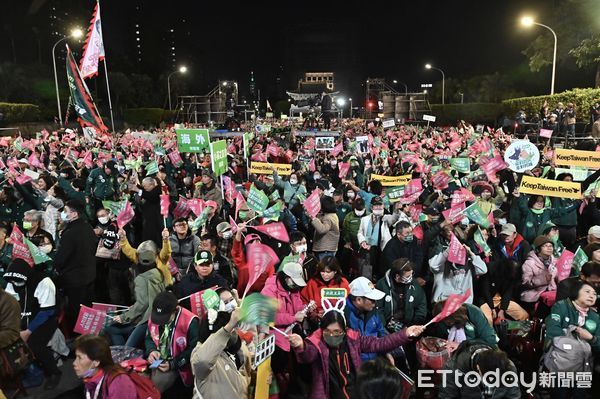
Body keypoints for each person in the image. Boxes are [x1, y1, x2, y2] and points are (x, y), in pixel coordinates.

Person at [289, 309, 424, 399]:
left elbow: (380, 343)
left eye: (337, 332)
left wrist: (405, 334)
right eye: (327, 331)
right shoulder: (315, 342)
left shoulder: (354, 340)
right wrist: (300, 346)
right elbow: (308, 355)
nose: (332, 335)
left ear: (344, 330)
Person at [4, 258, 61, 389]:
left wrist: (28, 331)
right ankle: (31, 372)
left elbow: (47, 311)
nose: (14, 284)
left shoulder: (43, 281)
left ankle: (54, 373)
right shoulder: (11, 282)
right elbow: (10, 304)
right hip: (22, 318)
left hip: (45, 318)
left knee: (36, 344)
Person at [544, 281, 600, 399]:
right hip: (562, 362)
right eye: (587, 292)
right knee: (560, 394)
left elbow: (598, 343)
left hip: (584, 366)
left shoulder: (595, 317)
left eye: (594, 294)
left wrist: (591, 338)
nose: (591, 296)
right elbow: (553, 331)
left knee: (580, 394)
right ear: (576, 292)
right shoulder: (561, 306)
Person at [105, 240, 166, 348]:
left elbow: (143, 303)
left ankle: (126, 359)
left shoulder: (141, 279)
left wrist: (124, 317)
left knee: (125, 347)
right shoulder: (160, 273)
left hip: (146, 320)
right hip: (157, 317)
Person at [54, 199, 97, 332]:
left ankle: (76, 340)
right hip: (89, 275)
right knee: (87, 311)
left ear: (74, 214)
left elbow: (62, 258)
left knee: (75, 313)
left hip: (74, 279)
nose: (62, 214)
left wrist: (57, 266)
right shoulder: (88, 228)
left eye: (65, 211)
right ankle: (87, 335)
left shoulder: (70, 233)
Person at [191, 307, 251, 399]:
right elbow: (203, 361)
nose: (233, 332)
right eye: (230, 329)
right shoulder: (200, 352)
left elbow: (248, 374)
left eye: (234, 328)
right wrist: (226, 329)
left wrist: (263, 377)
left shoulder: (238, 347)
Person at [146, 291, 200, 393]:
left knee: (155, 387)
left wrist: (173, 364)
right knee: (140, 380)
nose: (160, 322)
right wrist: (151, 351)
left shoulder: (190, 322)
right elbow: (149, 338)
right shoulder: (156, 316)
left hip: (180, 365)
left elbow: (195, 349)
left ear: (175, 310)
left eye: (164, 319)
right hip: (158, 361)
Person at [438, 344, 521, 399]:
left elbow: (513, 396)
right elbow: (446, 397)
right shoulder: (453, 369)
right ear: (478, 368)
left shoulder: (508, 367)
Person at [73, 335, 139, 399]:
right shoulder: (90, 380)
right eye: (76, 357)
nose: (74, 363)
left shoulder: (119, 383)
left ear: (96, 362)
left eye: (80, 358)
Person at [345, 277, 389, 362]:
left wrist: (387, 352)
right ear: (358, 300)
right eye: (372, 300)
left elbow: (381, 333)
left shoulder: (373, 312)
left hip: (374, 364)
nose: (375, 303)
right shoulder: (343, 315)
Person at [376, 258, 427, 330]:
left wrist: (414, 324)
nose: (410, 278)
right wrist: (383, 326)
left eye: (412, 274)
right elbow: (378, 309)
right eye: (407, 276)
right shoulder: (382, 285)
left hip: (408, 326)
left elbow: (421, 305)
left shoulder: (414, 285)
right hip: (386, 327)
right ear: (397, 276)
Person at [429, 302, 498, 349]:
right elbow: (442, 339)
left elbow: (490, 340)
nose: (445, 323)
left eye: (446, 321)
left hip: (482, 349)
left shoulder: (474, 312)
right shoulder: (442, 323)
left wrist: (461, 345)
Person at [521, 236, 558, 312]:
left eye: (551, 246)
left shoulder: (554, 261)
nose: (549, 248)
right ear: (538, 249)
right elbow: (525, 283)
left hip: (550, 292)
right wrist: (541, 279)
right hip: (534, 295)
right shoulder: (529, 263)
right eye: (545, 246)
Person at [310, 196, 340, 260]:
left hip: (326, 250)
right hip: (326, 249)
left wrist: (313, 217)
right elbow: (319, 218)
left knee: (325, 268)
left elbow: (322, 229)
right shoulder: (331, 215)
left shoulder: (328, 217)